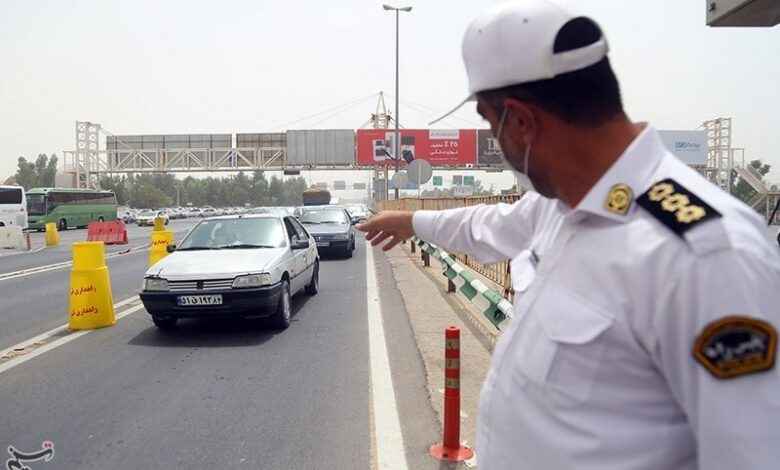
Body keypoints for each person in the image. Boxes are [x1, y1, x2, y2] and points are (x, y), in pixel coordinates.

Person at [357, 1, 780, 469]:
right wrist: (408, 221)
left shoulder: (705, 255)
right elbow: (484, 227)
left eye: (487, 121)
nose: (494, 144)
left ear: (520, 121)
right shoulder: (562, 205)